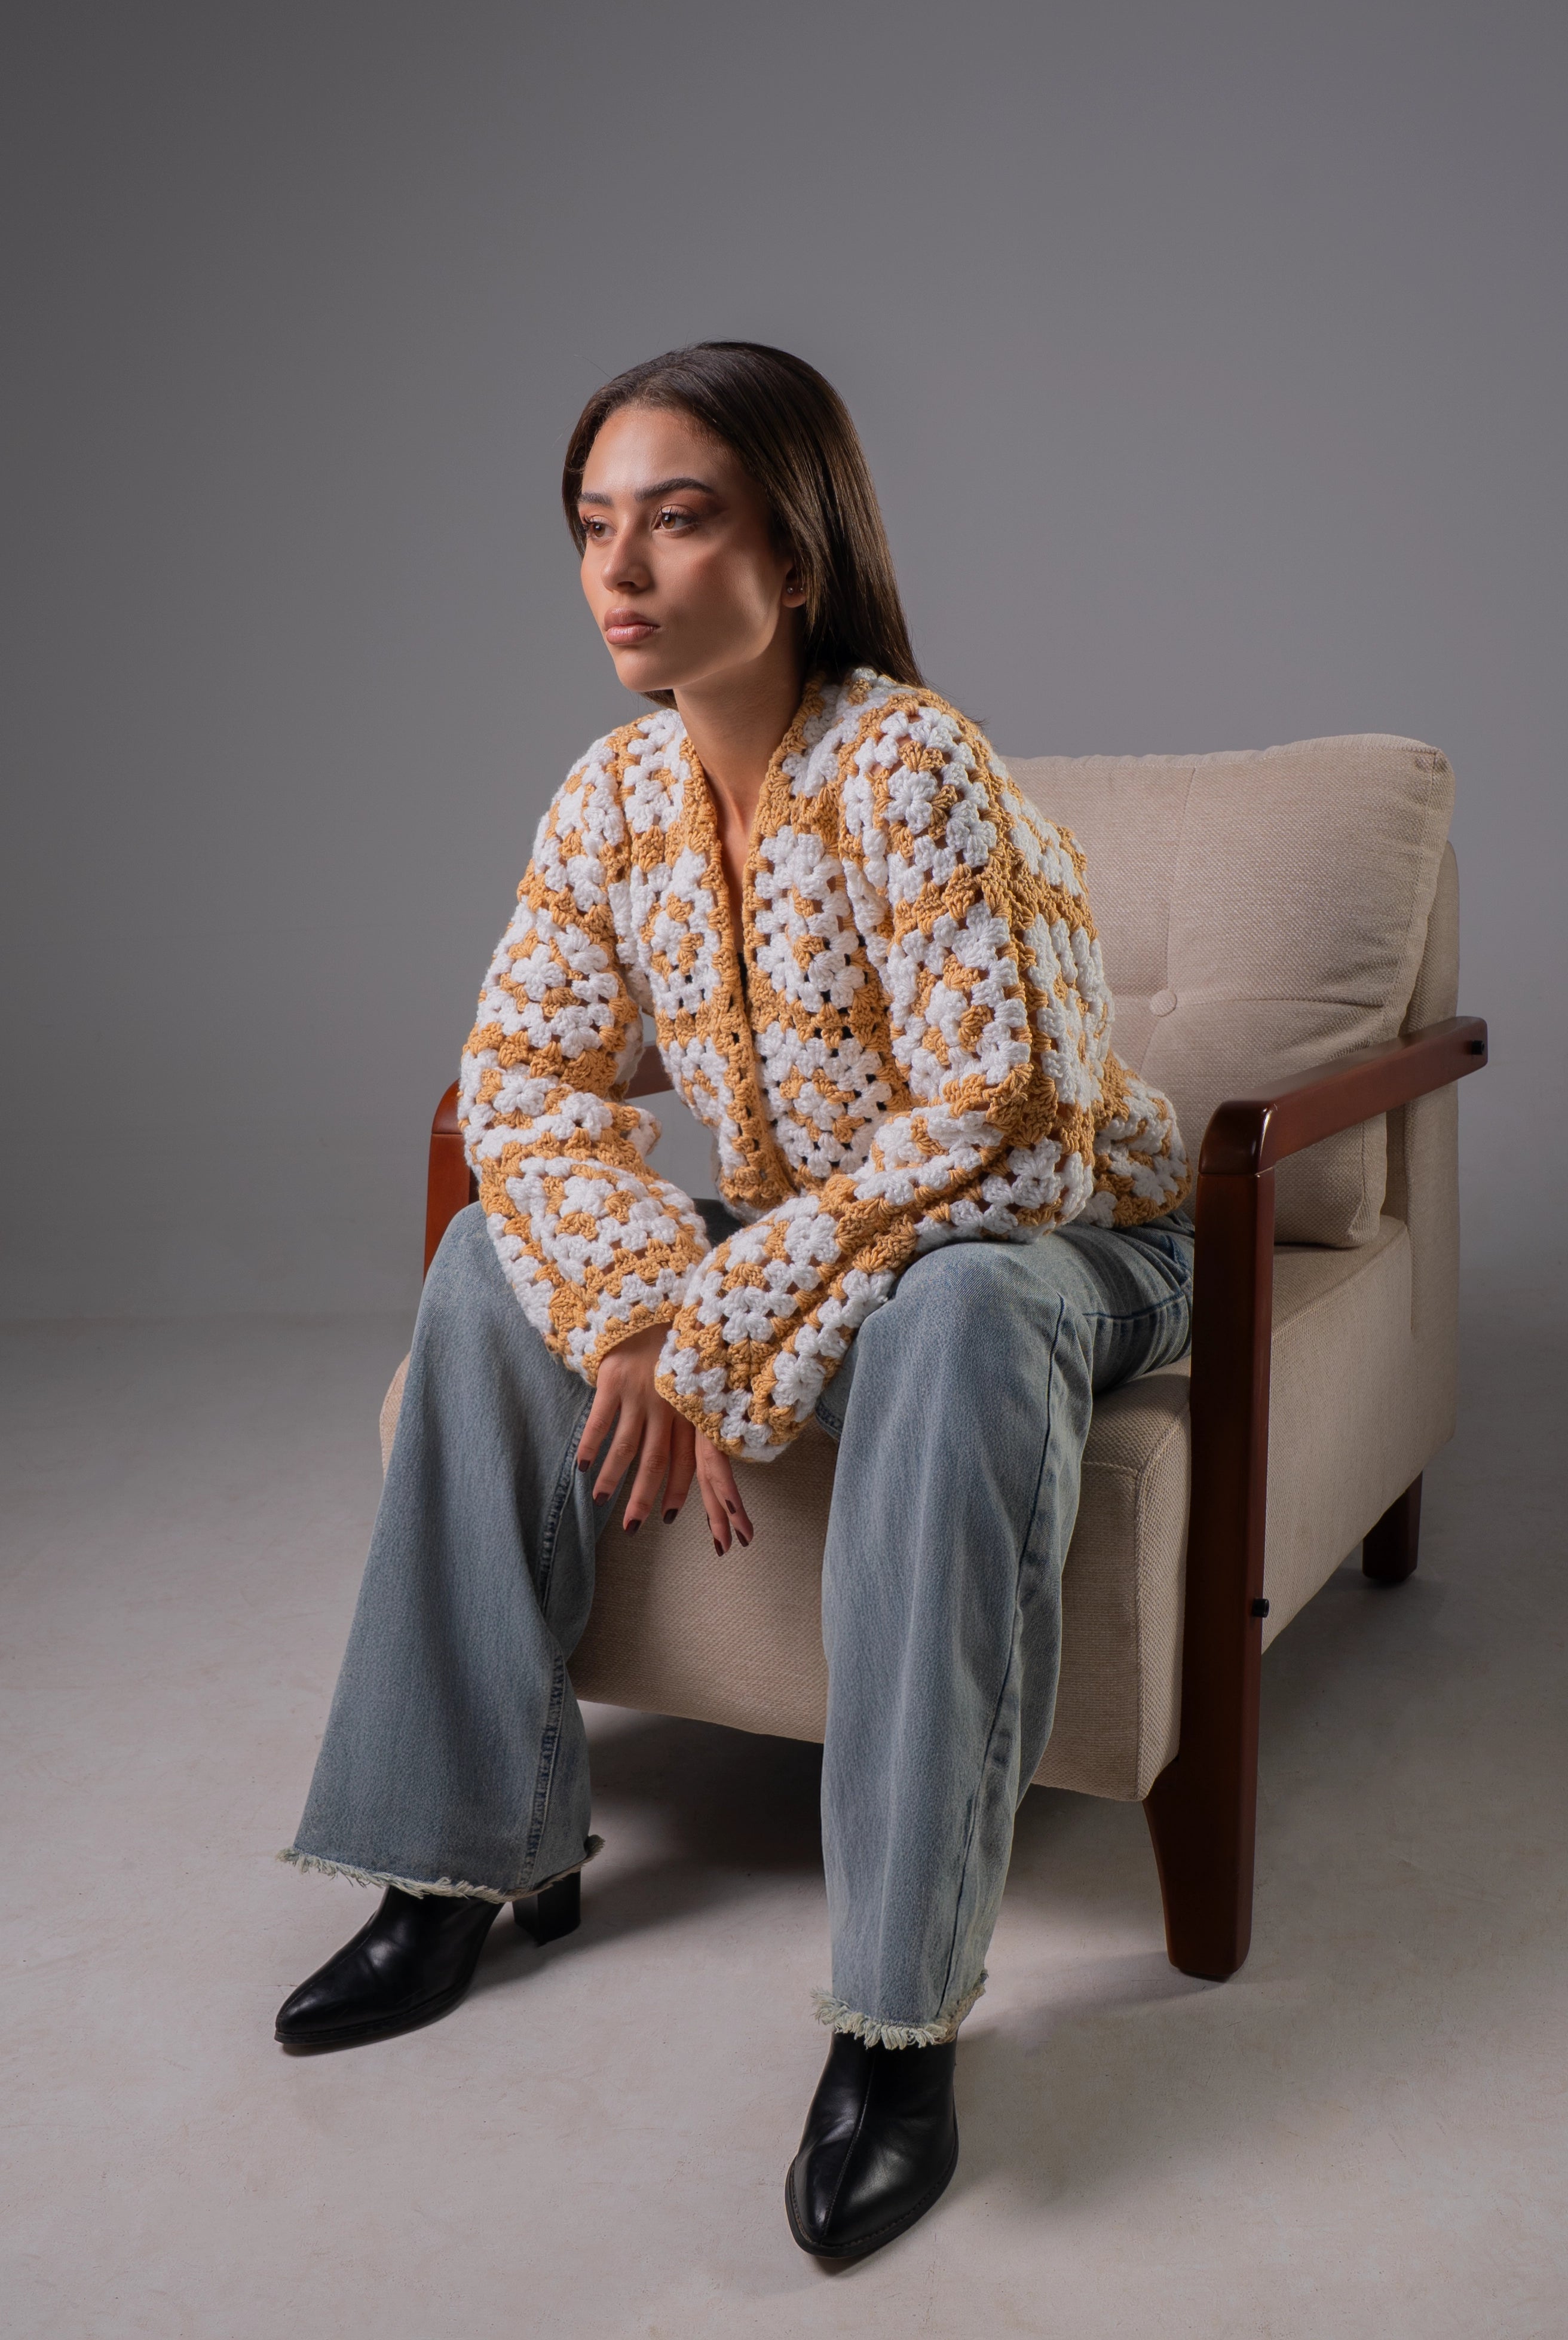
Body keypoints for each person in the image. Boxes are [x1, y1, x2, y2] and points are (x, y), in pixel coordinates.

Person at [274, 342, 1193, 2259]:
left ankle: (898, 2017)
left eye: (677, 519)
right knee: (486, 1260)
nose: (622, 569)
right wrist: (631, 1308)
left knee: (950, 1313)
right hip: (828, 1232)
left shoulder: (913, 762)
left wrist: (712, 1317)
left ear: (793, 551)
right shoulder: (611, 797)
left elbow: (1005, 1128)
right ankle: (450, 1861)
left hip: (1064, 1242)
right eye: (596, 526)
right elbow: (521, 1088)